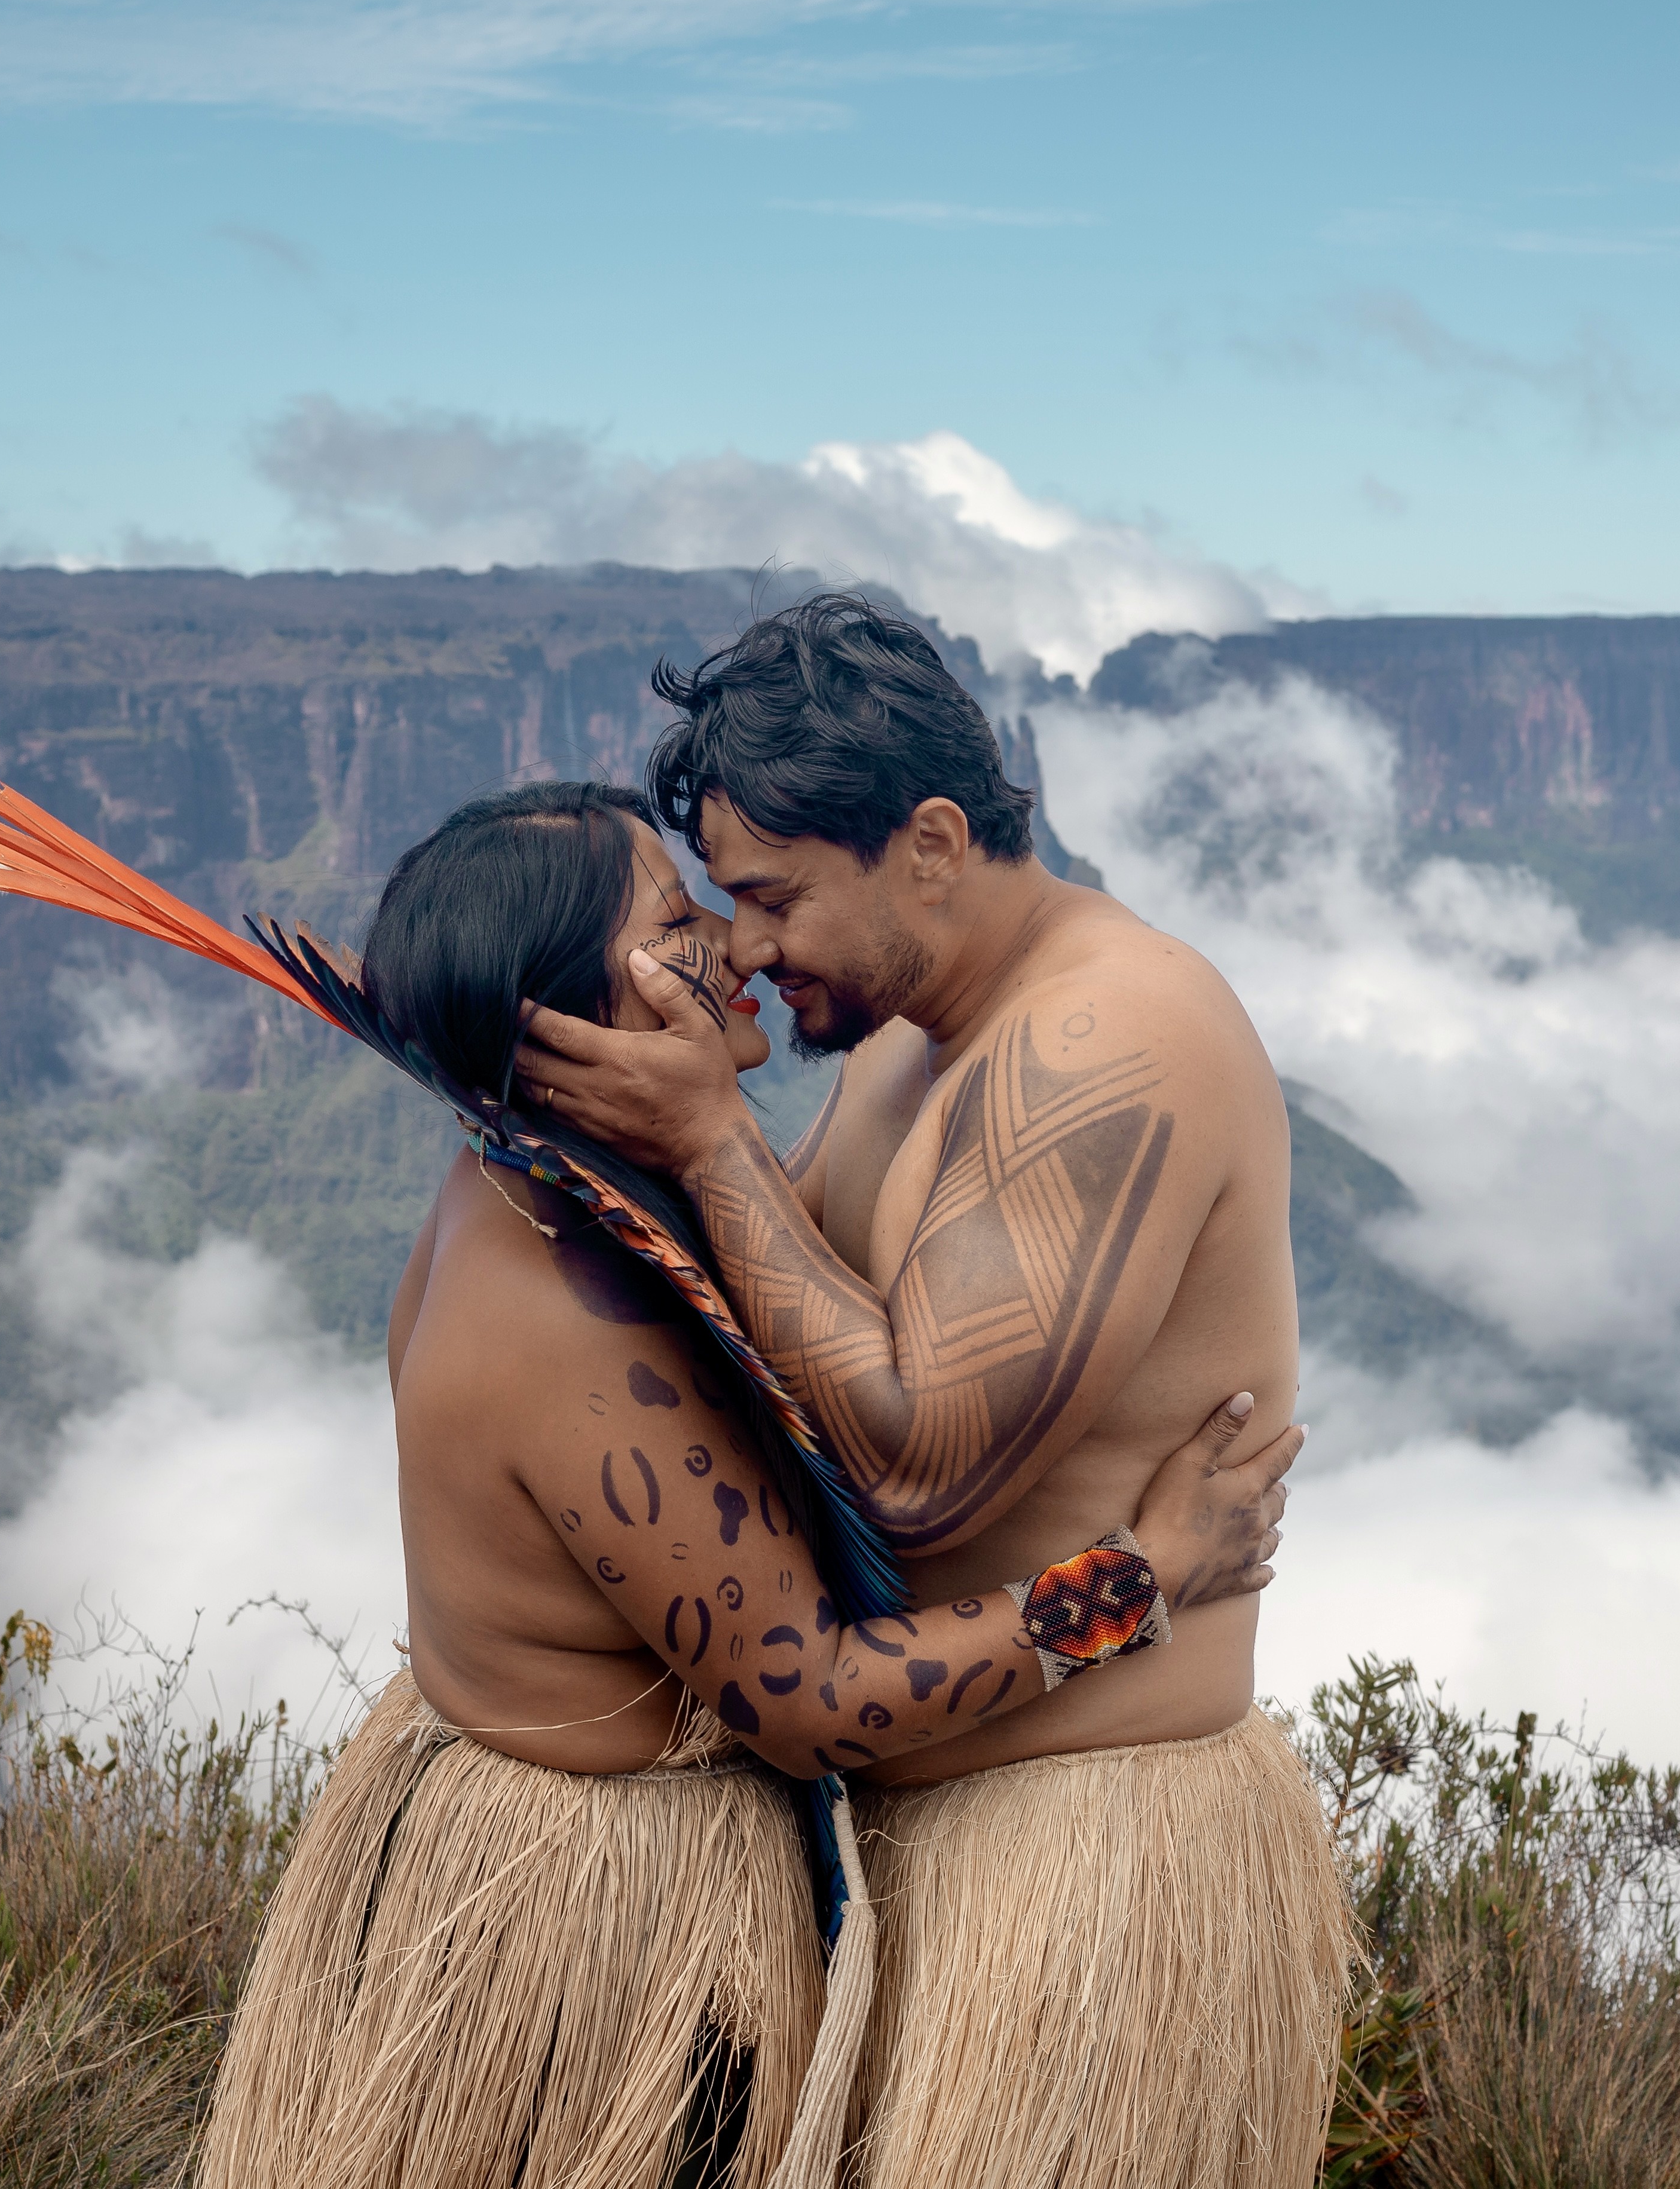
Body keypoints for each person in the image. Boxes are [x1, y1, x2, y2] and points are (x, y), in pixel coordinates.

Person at [194, 781, 1303, 2189]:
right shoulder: (576, 1322)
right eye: (677, 920)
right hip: (584, 1943)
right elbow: (814, 1701)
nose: (731, 942)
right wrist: (1139, 1578)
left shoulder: (551, 1188)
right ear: (569, 1023)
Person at [516, 599, 1352, 2189]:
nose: (748, 944)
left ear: (932, 841)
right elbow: (791, 1341)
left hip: (1084, 1864)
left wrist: (708, 1141)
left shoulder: (1112, 1039)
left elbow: (913, 1469)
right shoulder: (912, 1035)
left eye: (773, 897)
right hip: (910, 1838)